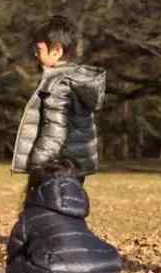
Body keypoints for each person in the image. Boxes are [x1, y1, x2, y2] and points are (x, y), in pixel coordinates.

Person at [0, 159, 122, 273]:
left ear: (34, 188)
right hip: (102, 272)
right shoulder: (78, 214)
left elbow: (14, 253)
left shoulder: (31, 215)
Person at [11, 15, 106, 184]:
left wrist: (38, 166)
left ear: (56, 51)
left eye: (38, 49)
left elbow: (54, 130)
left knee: (48, 208)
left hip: (56, 167)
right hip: (76, 165)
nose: (35, 54)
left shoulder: (58, 85)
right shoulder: (78, 81)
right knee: (70, 206)